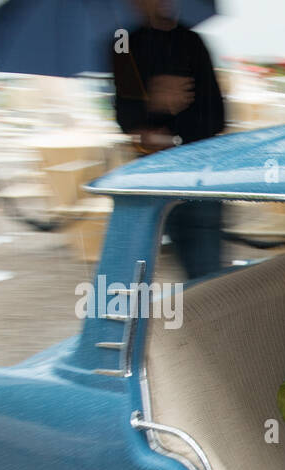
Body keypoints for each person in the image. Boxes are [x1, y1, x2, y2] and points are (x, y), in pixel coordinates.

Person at [111, 0, 225, 278]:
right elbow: (125, 114)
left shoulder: (192, 42)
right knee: (148, 268)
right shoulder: (123, 44)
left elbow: (216, 117)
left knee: (205, 271)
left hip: (199, 174)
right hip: (154, 175)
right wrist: (154, 103)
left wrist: (175, 123)